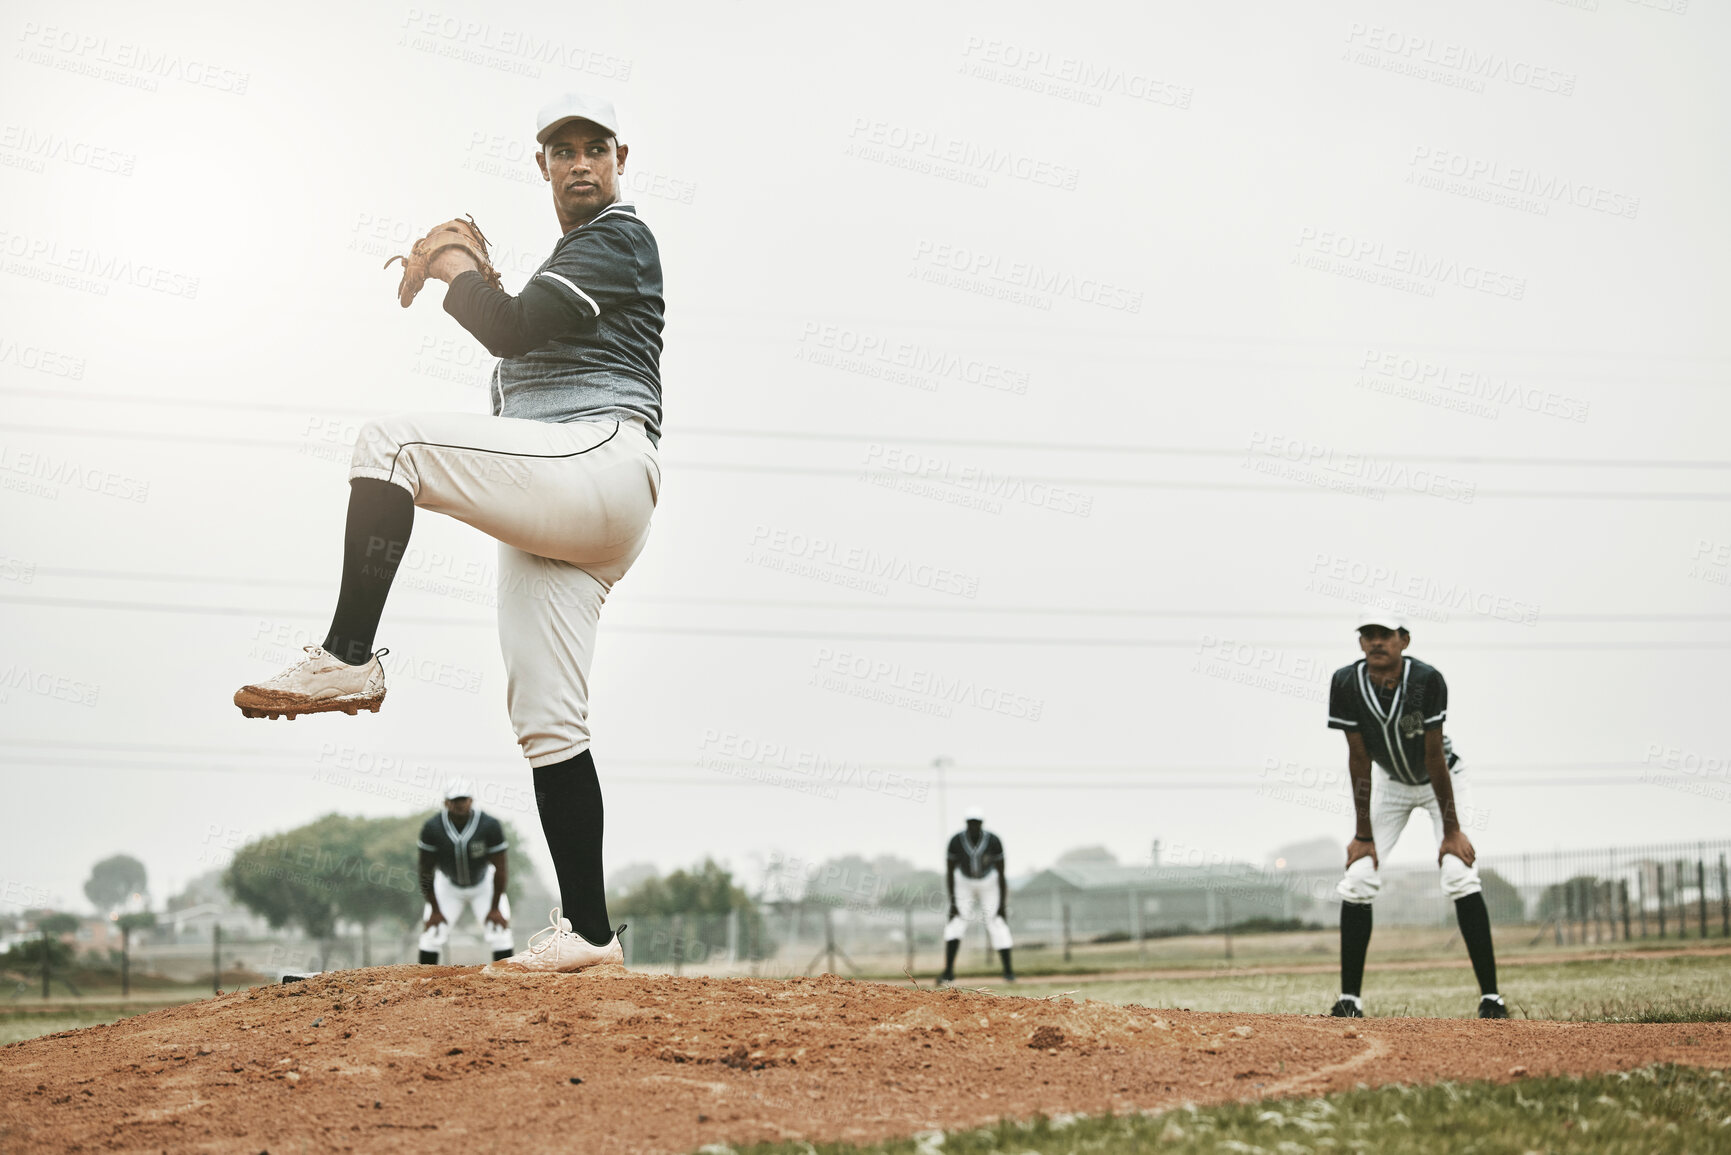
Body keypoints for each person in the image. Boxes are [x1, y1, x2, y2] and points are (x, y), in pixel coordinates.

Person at [233, 92, 662, 973]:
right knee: (547, 719)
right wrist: (477, 272)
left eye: (593, 148)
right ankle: (588, 931)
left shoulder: (619, 238)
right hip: (567, 503)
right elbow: (517, 324)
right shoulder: (564, 264)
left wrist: (456, 264)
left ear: (620, 158)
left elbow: (505, 328)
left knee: (389, 443)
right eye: (560, 150)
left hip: (600, 462)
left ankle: (348, 654)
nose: (579, 162)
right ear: (540, 166)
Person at [1327, 616, 1505, 1019]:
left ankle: (1491, 998)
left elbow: (1433, 756)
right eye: (1367, 635)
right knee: (1357, 879)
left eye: (1385, 635)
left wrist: (1452, 830)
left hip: (1441, 779)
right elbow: (1358, 758)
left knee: (1458, 872)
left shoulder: (1426, 679)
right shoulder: (1345, 683)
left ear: (1403, 640)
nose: (1376, 642)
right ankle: (1349, 1000)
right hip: (1391, 785)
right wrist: (1363, 834)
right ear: (1359, 643)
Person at [417, 780, 513, 963]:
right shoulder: (433, 828)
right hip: (448, 885)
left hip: (483, 884)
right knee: (432, 934)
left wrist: (494, 908)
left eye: (463, 799)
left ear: (471, 801)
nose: (460, 804)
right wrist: (435, 910)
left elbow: (500, 868)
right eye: (455, 800)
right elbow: (425, 871)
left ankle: (508, 983)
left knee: (500, 933)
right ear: (446, 802)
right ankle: (423, 984)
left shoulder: (489, 825)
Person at [938, 807, 1014, 985]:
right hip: (964, 882)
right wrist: (953, 903)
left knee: (996, 921)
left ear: (981, 823)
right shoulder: (956, 841)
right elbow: (949, 872)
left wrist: (1002, 904)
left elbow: (1001, 873)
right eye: (970, 823)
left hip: (989, 882)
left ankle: (1009, 972)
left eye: (976, 823)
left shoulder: (993, 840)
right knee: (956, 923)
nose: (973, 826)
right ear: (966, 823)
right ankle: (948, 972)